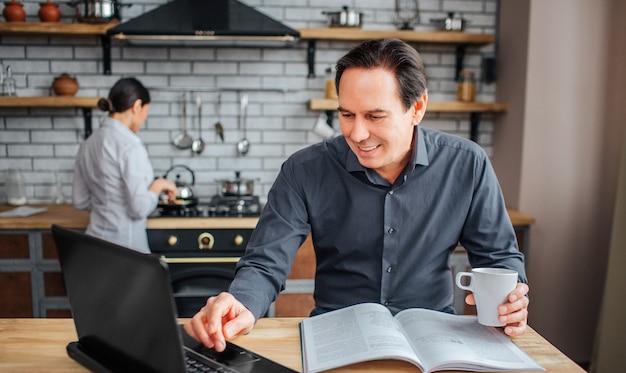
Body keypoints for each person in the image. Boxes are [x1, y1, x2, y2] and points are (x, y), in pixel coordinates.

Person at [185, 39, 530, 352]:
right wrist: (240, 300)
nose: (357, 133)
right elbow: (265, 262)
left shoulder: (466, 163)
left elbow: (499, 256)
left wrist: (511, 299)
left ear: (418, 107)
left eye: (374, 116)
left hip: (434, 338)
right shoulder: (304, 169)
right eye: (346, 115)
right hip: (334, 335)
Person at [73, 77, 177, 253]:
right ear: (136, 106)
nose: (145, 118)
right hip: (126, 251)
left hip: (93, 246)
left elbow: (80, 201)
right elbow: (139, 208)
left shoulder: (88, 144)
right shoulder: (130, 146)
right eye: (146, 111)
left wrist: (109, 206)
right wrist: (158, 185)